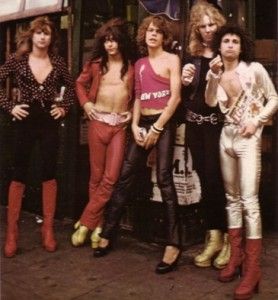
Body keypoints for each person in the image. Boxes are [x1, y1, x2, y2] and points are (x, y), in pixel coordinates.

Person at [94, 15, 182, 275]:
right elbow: (138, 97)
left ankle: (173, 243)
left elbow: (175, 98)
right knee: (125, 176)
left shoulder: (172, 60)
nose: (152, 34)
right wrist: (134, 125)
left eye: (158, 31)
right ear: (144, 34)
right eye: (149, 30)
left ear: (164, 36)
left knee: (165, 179)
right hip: (141, 121)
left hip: (163, 122)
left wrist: (157, 128)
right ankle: (109, 232)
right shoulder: (140, 63)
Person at [205, 25, 278, 300]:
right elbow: (211, 101)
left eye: (235, 40)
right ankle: (235, 259)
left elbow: (274, 99)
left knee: (249, 201)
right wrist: (212, 76)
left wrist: (257, 120)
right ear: (220, 46)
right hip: (226, 136)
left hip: (248, 139)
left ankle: (253, 269)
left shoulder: (254, 70)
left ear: (241, 45)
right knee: (231, 199)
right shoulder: (217, 72)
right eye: (226, 40)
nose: (231, 45)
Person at [0, 16, 75, 257]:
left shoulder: (58, 62)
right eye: (39, 33)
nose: (43, 37)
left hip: (48, 122)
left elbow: (72, 89)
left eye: (47, 33)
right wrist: (10, 106)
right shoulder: (18, 60)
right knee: (19, 172)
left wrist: (63, 106)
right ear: (31, 35)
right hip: (25, 121)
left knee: (49, 172)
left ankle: (48, 231)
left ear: (52, 38)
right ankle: (12, 234)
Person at [72, 18, 134, 249]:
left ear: (121, 42)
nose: (110, 45)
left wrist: (130, 112)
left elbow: (136, 95)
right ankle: (97, 225)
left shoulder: (131, 66)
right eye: (107, 40)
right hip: (98, 122)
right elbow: (79, 84)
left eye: (114, 40)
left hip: (119, 126)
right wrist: (86, 104)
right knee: (96, 177)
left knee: (111, 177)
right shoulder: (96, 64)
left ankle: (86, 221)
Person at [181, 1, 229, 269]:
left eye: (212, 25)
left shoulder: (227, 52)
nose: (208, 30)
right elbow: (185, 97)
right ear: (196, 29)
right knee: (204, 180)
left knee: (216, 181)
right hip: (194, 126)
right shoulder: (191, 55)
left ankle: (228, 239)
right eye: (203, 26)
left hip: (215, 126)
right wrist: (185, 83)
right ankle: (214, 237)